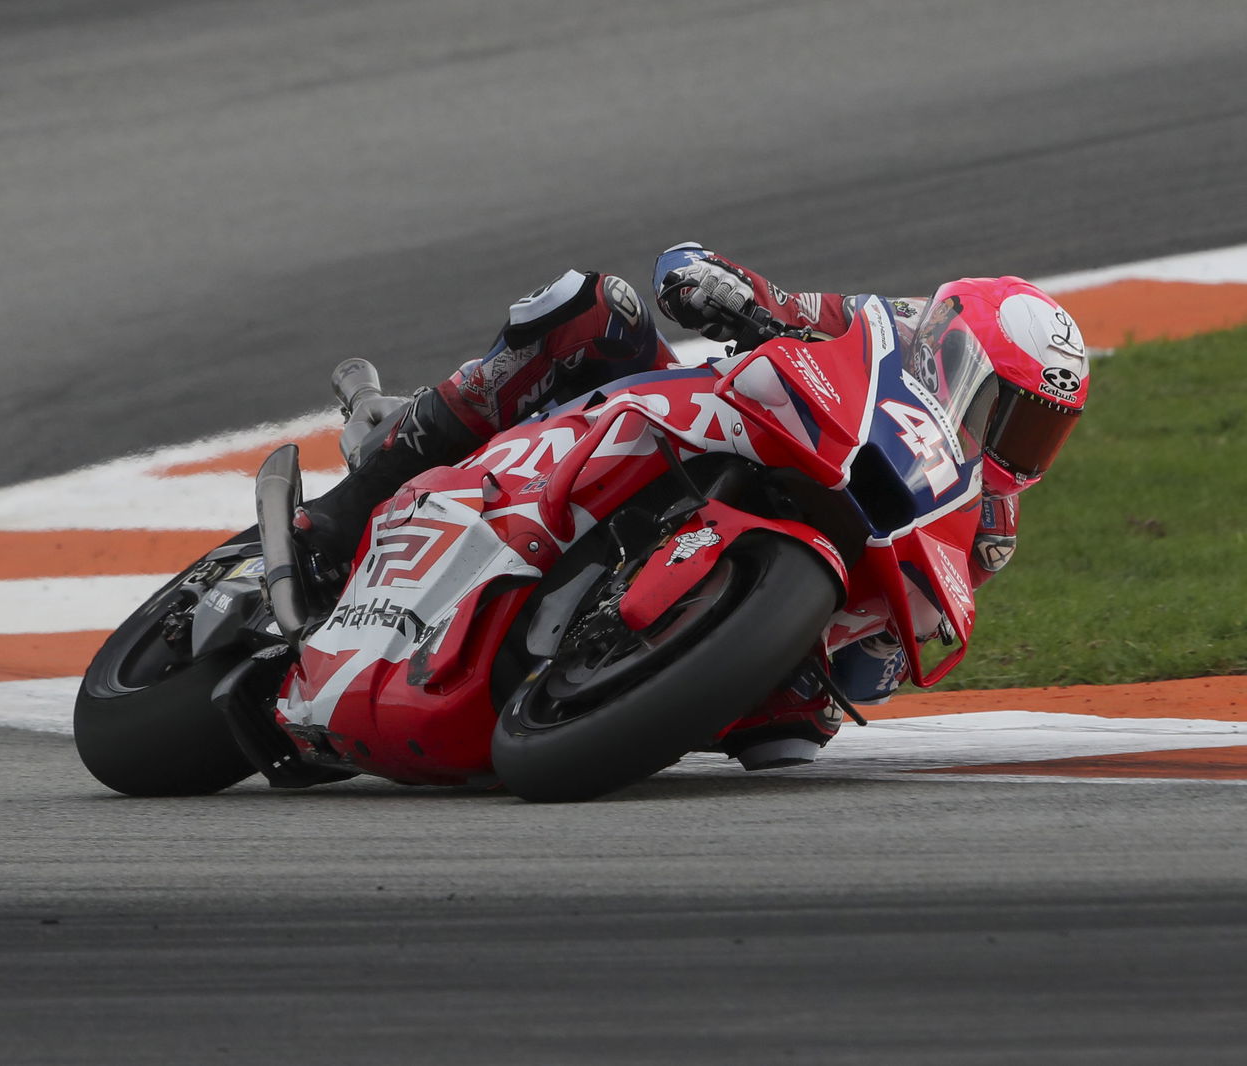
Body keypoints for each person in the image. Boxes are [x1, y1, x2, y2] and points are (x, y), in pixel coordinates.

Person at [295, 243, 1091, 769]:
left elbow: (882, 664)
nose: (1015, 450)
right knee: (591, 308)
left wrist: (808, 647)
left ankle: (610, 664)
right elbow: (742, 285)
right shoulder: (882, 327)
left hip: (763, 600)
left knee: (790, 737)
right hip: (706, 426)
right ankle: (372, 474)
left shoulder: (985, 528)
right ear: (957, 354)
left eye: (1039, 436)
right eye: (1006, 414)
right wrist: (720, 287)